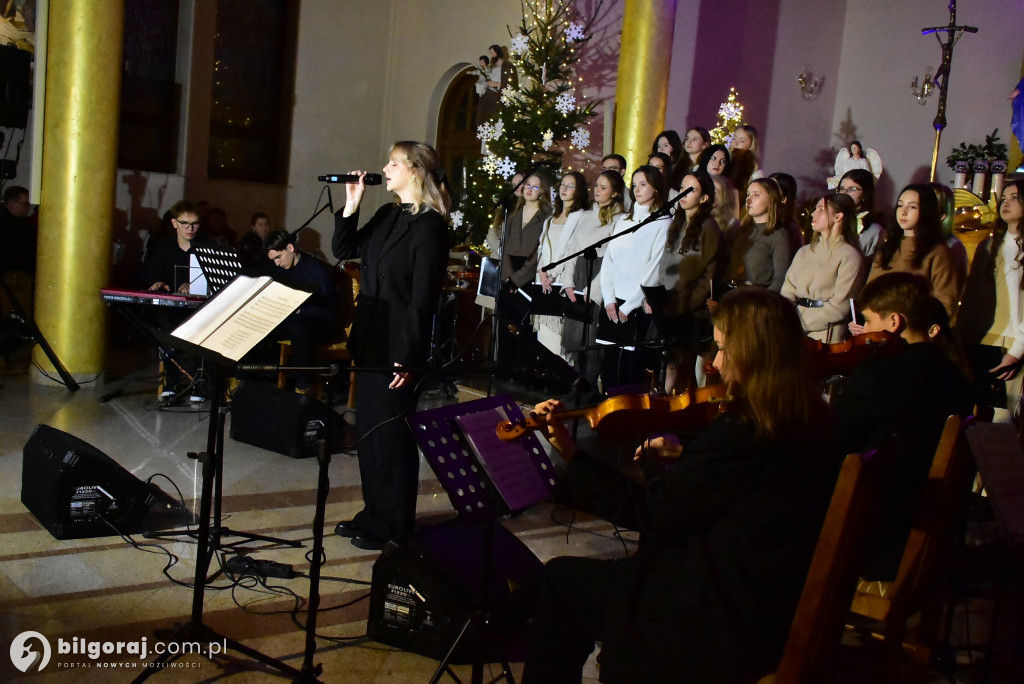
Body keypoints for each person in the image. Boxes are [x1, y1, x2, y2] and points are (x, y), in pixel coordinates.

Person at [521, 288, 838, 683]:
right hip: (768, 597)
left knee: (562, 581)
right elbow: (726, 494)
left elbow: (650, 513)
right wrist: (679, 461)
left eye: (723, 350)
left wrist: (572, 455)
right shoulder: (810, 419)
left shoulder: (742, 432)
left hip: (716, 614)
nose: (716, 365)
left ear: (754, 354)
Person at [331, 141, 450, 551]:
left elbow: (423, 299)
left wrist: (409, 355)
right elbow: (345, 250)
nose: (385, 167)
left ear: (414, 171)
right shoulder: (386, 214)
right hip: (370, 338)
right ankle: (373, 513)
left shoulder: (431, 226)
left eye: (393, 162)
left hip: (399, 344)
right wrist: (351, 204)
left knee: (391, 437)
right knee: (368, 432)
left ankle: (395, 523)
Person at [834, 272, 972, 580]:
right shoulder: (957, 379)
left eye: (868, 322)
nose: (863, 332)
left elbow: (831, 444)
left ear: (894, 322)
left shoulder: (878, 376)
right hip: (929, 544)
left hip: (873, 543)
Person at [646, 170, 723, 393]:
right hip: (669, 304)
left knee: (683, 367)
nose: (683, 194)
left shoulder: (709, 227)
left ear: (704, 197)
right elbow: (664, 262)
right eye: (681, 188)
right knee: (670, 365)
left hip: (690, 310)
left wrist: (684, 305)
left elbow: (709, 272)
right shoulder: (677, 222)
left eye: (691, 190)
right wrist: (656, 296)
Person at [599, 165, 672, 388]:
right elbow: (609, 261)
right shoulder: (623, 221)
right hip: (613, 303)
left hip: (636, 306)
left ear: (656, 189)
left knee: (632, 368)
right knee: (609, 362)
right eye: (634, 184)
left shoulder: (663, 222)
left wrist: (628, 306)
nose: (637, 189)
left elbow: (653, 268)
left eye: (643, 184)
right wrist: (609, 299)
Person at [956, 179, 1024, 417]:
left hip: (1012, 343)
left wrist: (1018, 350)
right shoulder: (988, 245)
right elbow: (972, 296)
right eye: (1003, 198)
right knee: (973, 417)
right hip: (980, 340)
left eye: (1014, 197)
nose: (1006, 203)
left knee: (1002, 419)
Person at [858, 183, 961, 319]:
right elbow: (870, 291)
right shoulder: (889, 247)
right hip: (880, 328)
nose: (903, 211)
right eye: (900, 205)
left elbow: (945, 303)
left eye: (912, 207)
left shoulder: (938, 251)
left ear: (925, 210)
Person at [139, 199, 205, 400]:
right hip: (173, 307)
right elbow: (149, 275)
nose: (190, 228)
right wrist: (158, 282)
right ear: (174, 223)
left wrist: (192, 285)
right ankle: (172, 382)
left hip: (200, 308)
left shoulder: (205, 247)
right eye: (185, 223)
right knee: (168, 327)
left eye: (194, 224)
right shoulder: (162, 247)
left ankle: (200, 384)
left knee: (207, 329)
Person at [781, 192, 864, 342]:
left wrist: (800, 323)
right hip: (794, 330)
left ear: (838, 216)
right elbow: (788, 291)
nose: (813, 213)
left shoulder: (849, 256)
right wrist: (789, 320)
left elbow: (839, 306)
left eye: (820, 209)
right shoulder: (804, 252)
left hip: (825, 334)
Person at [264, 229, 340, 393]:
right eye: (273, 259)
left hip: (320, 324)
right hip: (292, 322)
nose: (277, 263)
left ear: (290, 248)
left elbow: (331, 311)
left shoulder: (317, 271)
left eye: (278, 257)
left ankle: (304, 386)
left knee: (298, 329)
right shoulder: (277, 270)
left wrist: (300, 311)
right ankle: (249, 379)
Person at [497, 171, 552, 374]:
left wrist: (517, 280)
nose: (529, 189)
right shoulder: (513, 214)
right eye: (528, 185)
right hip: (508, 275)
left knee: (524, 327)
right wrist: (507, 278)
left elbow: (539, 254)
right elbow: (505, 248)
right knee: (506, 325)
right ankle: (506, 368)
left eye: (535, 186)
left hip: (528, 277)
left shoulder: (546, 218)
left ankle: (523, 369)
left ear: (543, 191)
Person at [535, 171, 592, 357]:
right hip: (544, 279)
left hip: (562, 278)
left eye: (570, 186)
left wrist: (551, 273)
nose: (564, 189)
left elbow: (572, 250)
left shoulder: (581, 216)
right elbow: (543, 248)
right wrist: (541, 271)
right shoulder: (551, 217)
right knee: (544, 333)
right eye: (562, 185)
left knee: (561, 335)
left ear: (578, 191)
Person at [719, 177, 791, 295]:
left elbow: (780, 280)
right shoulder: (742, 231)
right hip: (732, 296)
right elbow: (727, 268)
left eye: (756, 195)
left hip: (756, 300)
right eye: (748, 194)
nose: (749, 199)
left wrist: (760, 302)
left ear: (771, 199)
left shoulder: (778, 235)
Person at [837, 168, 884, 262]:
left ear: (865, 194)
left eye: (852, 189)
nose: (845, 194)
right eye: (842, 189)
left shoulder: (874, 231)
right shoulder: (831, 221)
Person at [0, 185, 36, 277]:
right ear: (12, 203)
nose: (28, 208)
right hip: (12, 278)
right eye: (25, 204)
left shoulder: (25, 224)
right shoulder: (6, 226)